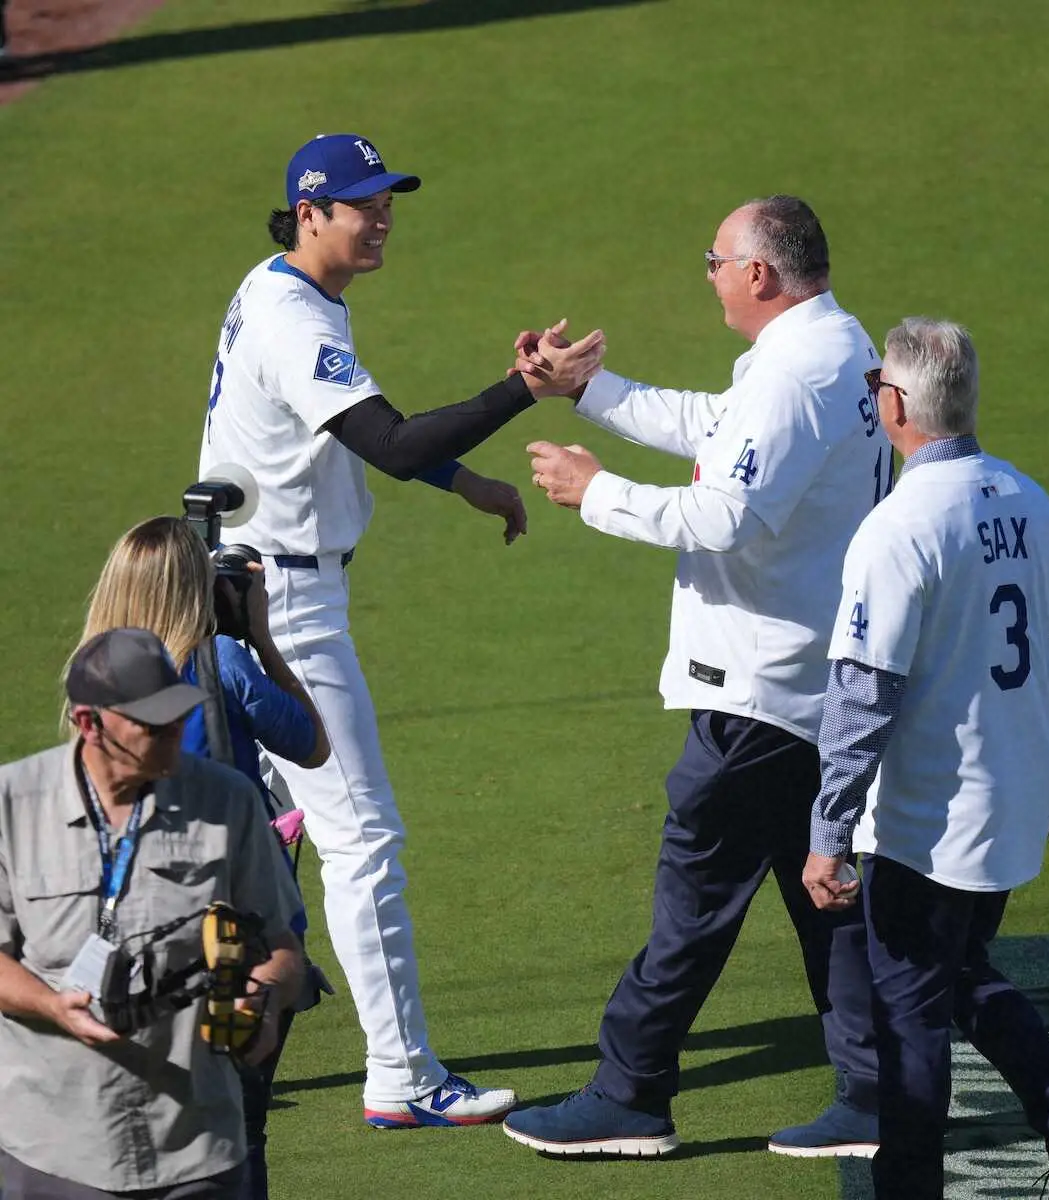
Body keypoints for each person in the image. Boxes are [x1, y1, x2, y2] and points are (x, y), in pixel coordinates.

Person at [197, 131, 604, 1128]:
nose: (382, 219)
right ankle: (402, 1076)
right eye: (362, 204)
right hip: (281, 613)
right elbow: (387, 441)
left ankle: (204, 1048)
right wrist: (524, 390)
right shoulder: (295, 319)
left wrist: (463, 481)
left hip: (239, 590)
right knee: (361, 839)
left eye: (388, 201)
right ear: (309, 214)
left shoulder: (283, 289)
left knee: (245, 837)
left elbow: (354, 434)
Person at [502, 195, 886, 1157]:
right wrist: (589, 388)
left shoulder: (795, 372)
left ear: (758, 273)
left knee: (695, 900)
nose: (708, 275)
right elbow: (721, 426)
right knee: (825, 893)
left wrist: (596, 492)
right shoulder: (836, 345)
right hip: (815, 678)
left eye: (713, 261)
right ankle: (878, 1093)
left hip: (758, 690)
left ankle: (628, 1094)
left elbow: (726, 518)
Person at [802, 318, 1049, 1199]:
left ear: (895, 403)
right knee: (955, 973)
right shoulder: (1029, 499)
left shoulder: (897, 526)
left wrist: (828, 830)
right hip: (1014, 801)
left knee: (908, 1021)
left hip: (927, 817)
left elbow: (863, 694)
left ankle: (922, 1185)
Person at [74, 515, 328, 1200]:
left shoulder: (92, 679)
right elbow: (311, 744)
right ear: (199, 588)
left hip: (131, 939)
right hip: (237, 930)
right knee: (241, 1131)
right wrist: (259, 635)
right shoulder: (224, 662)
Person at [0, 627, 304, 1199]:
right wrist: (51, 1005)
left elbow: (282, 946)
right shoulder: (11, 805)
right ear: (89, 724)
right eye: (153, 724)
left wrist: (262, 1000)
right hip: (54, 1149)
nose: (176, 732)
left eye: (180, 716)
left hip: (194, 1146)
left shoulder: (228, 800)